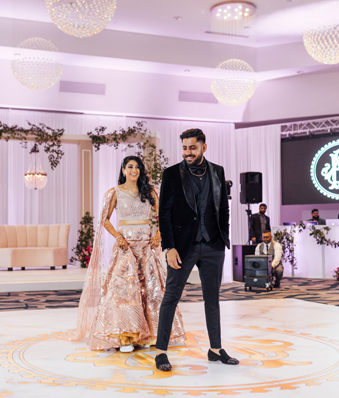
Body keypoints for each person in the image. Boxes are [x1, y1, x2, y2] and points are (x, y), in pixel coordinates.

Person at [61, 156, 185, 352]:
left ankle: (150, 335)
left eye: (137, 167)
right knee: (124, 291)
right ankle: (126, 336)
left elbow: (165, 214)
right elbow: (105, 219)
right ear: (123, 170)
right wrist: (118, 237)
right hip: (126, 247)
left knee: (151, 289)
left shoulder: (150, 192)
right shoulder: (115, 192)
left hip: (145, 246)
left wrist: (160, 235)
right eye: (130, 167)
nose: (134, 170)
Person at [154, 128, 239, 372]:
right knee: (171, 297)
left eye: (192, 147)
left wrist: (223, 237)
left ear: (203, 146)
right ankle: (161, 352)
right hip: (183, 247)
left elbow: (223, 208)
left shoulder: (218, 171)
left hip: (213, 245)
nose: (187, 152)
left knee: (212, 299)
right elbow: (165, 214)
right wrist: (169, 246)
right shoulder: (171, 174)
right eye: (184, 148)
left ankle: (215, 349)